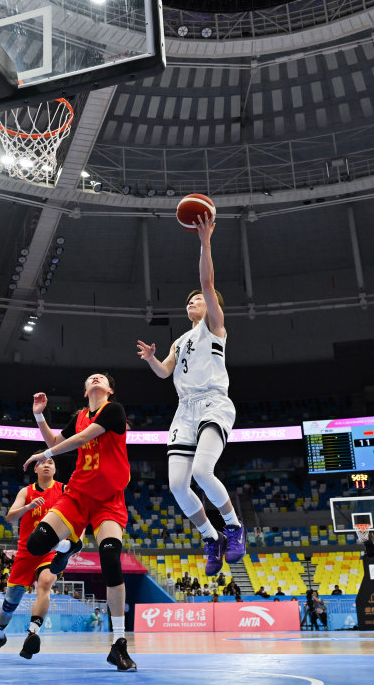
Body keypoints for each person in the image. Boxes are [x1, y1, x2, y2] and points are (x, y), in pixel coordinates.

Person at [137, 211, 244, 577]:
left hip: (213, 402)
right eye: (190, 301)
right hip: (184, 410)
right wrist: (152, 359)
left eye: (197, 299)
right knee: (177, 486)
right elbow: (165, 372)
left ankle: (234, 526)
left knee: (202, 470)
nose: (192, 302)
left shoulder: (214, 325)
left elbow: (207, 280)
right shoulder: (181, 340)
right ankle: (211, 537)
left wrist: (205, 242)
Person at [23, 373, 136, 671]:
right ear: (85, 391)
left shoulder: (114, 410)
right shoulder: (80, 417)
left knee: (110, 559)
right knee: (36, 545)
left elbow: (82, 439)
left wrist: (45, 454)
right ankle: (69, 546)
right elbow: (56, 440)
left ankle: (119, 643)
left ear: (108, 389)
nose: (96, 378)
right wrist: (39, 416)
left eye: (102, 378)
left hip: (108, 500)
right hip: (77, 495)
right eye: (91, 378)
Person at [0, 455, 66, 660]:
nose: (46, 465)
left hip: (51, 549)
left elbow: (78, 515)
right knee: (10, 602)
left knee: (45, 582)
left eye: (50, 462)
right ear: (35, 469)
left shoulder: (64, 490)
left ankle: (32, 633)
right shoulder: (26, 492)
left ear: (55, 469)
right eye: (42, 462)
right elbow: (10, 516)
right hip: (26, 552)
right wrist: (28, 507)